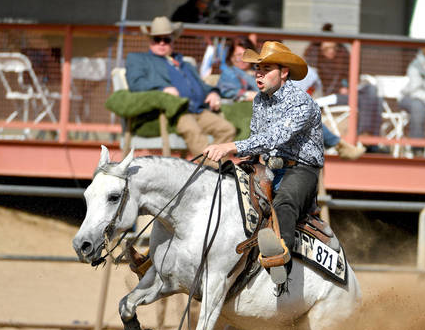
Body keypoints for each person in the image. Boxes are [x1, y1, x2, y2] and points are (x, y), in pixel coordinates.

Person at [203, 41, 323, 287]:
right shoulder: (259, 100)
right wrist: (244, 162)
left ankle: (280, 265)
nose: (259, 73)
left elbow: (274, 137)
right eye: (257, 68)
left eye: (266, 68)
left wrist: (230, 147)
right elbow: (259, 139)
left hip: (300, 168)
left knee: (285, 202)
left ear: (284, 72)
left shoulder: (301, 102)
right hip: (268, 166)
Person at [125, 17, 236, 159]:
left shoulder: (185, 64)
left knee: (227, 129)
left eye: (166, 40)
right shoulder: (139, 59)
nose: (161, 43)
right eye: (157, 39)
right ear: (150, 41)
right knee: (193, 131)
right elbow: (135, 83)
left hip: (198, 110)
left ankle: (214, 168)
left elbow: (203, 85)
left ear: (173, 41)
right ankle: (213, 170)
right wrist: (162, 89)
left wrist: (213, 93)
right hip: (174, 112)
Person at [303, 24, 383, 144]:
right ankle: (365, 138)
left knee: (372, 93)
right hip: (328, 97)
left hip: (344, 95)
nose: (331, 51)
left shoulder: (341, 59)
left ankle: (368, 137)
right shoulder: (314, 65)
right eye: (326, 49)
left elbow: (349, 76)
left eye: (334, 48)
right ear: (320, 49)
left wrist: (346, 86)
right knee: (369, 99)